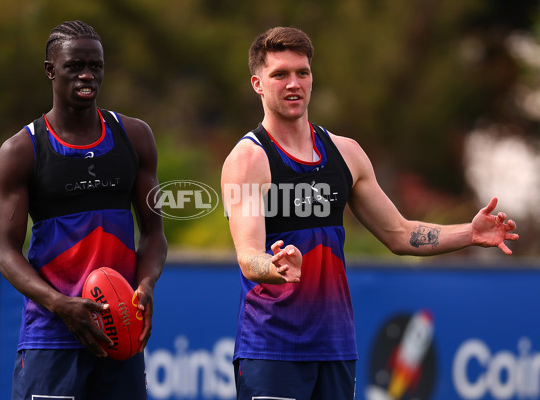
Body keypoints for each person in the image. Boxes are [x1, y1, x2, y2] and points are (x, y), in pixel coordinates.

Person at [220, 26, 519, 399]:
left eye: (303, 73)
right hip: (273, 347)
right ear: (258, 84)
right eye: (280, 74)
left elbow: (398, 233)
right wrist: (275, 266)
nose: (293, 83)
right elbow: (248, 257)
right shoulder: (247, 160)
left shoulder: (346, 153)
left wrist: (470, 233)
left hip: (336, 347)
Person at [0, 20, 167, 400]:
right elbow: (6, 253)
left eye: (96, 65)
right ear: (50, 70)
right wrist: (60, 304)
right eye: (75, 66)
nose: (88, 75)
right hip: (52, 334)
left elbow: (154, 233)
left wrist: (147, 283)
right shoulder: (22, 150)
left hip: (119, 331)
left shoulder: (134, 136)